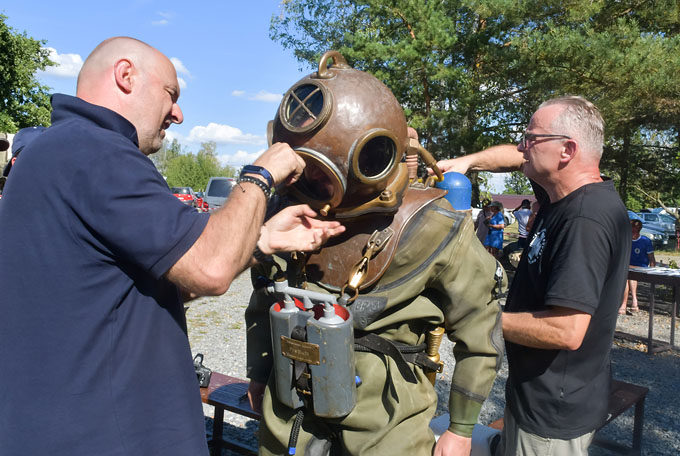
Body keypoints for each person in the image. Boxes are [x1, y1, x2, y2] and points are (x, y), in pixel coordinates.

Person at [0, 37, 345, 456]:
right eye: (171, 94)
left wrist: (262, 239)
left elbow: (162, 284)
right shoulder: (97, 151)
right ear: (125, 75)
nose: (178, 114)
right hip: (110, 437)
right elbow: (211, 268)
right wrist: (259, 176)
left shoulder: (57, 151)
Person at [246, 51, 503, 456]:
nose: (310, 181)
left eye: (320, 172)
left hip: (385, 429)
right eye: (301, 168)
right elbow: (263, 300)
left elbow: (480, 330)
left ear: (371, 160)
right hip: (288, 418)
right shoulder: (286, 210)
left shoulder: (431, 225)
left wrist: (461, 427)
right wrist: (258, 373)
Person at [435, 96, 630, 455]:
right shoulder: (564, 194)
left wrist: (482, 319)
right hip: (544, 397)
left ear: (567, 150)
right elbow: (517, 156)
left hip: (551, 416)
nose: (523, 146)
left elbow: (567, 330)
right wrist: (468, 162)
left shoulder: (584, 219)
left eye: (531, 138)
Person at [619, 219, 656, 315]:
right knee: (627, 275)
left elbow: (651, 258)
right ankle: (631, 302)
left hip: (641, 267)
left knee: (630, 275)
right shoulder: (626, 240)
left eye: (634, 231)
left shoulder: (645, 241)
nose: (632, 233)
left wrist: (652, 271)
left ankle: (628, 302)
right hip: (628, 267)